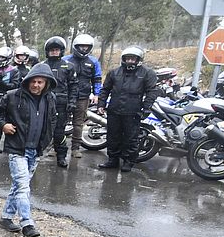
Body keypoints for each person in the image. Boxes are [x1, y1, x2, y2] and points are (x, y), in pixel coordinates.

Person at [0, 62, 57, 237]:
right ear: (28, 81)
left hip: (36, 151)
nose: (36, 85)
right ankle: (27, 223)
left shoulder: (50, 99)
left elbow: (53, 122)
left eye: (40, 82)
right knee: (23, 186)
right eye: (33, 81)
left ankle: (6, 218)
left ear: (46, 83)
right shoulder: (13, 96)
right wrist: (3, 125)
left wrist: (47, 142)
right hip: (17, 149)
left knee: (18, 186)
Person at [96, 45, 160, 173]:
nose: (130, 61)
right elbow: (105, 89)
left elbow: (152, 91)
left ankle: (128, 161)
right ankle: (112, 160)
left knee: (131, 138)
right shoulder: (114, 72)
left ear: (138, 60)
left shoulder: (147, 73)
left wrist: (146, 108)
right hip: (114, 110)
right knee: (112, 136)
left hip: (133, 111)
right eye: (128, 59)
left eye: (133, 59)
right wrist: (101, 104)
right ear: (123, 59)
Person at [64, 33, 102, 159]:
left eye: (87, 47)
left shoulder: (93, 61)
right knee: (60, 122)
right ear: (75, 46)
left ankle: (75, 148)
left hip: (83, 96)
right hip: (66, 95)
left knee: (78, 123)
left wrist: (97, 94)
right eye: (81, 47)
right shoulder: (66, 60)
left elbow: (97, 79)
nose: (84, 49)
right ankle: (56, 146)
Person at [42, 36, 78, 168]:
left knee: (59, 132)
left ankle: (61, 157)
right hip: (44, 101)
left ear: (61, 51)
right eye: (52, 50)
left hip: (61, 103)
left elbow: (74, 86)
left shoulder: (68, 66)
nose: (54, 52)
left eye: (57, 50)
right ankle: (35, 155)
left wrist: (72, 101)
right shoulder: (42, 66)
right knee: (41, 130)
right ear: (47, 51)